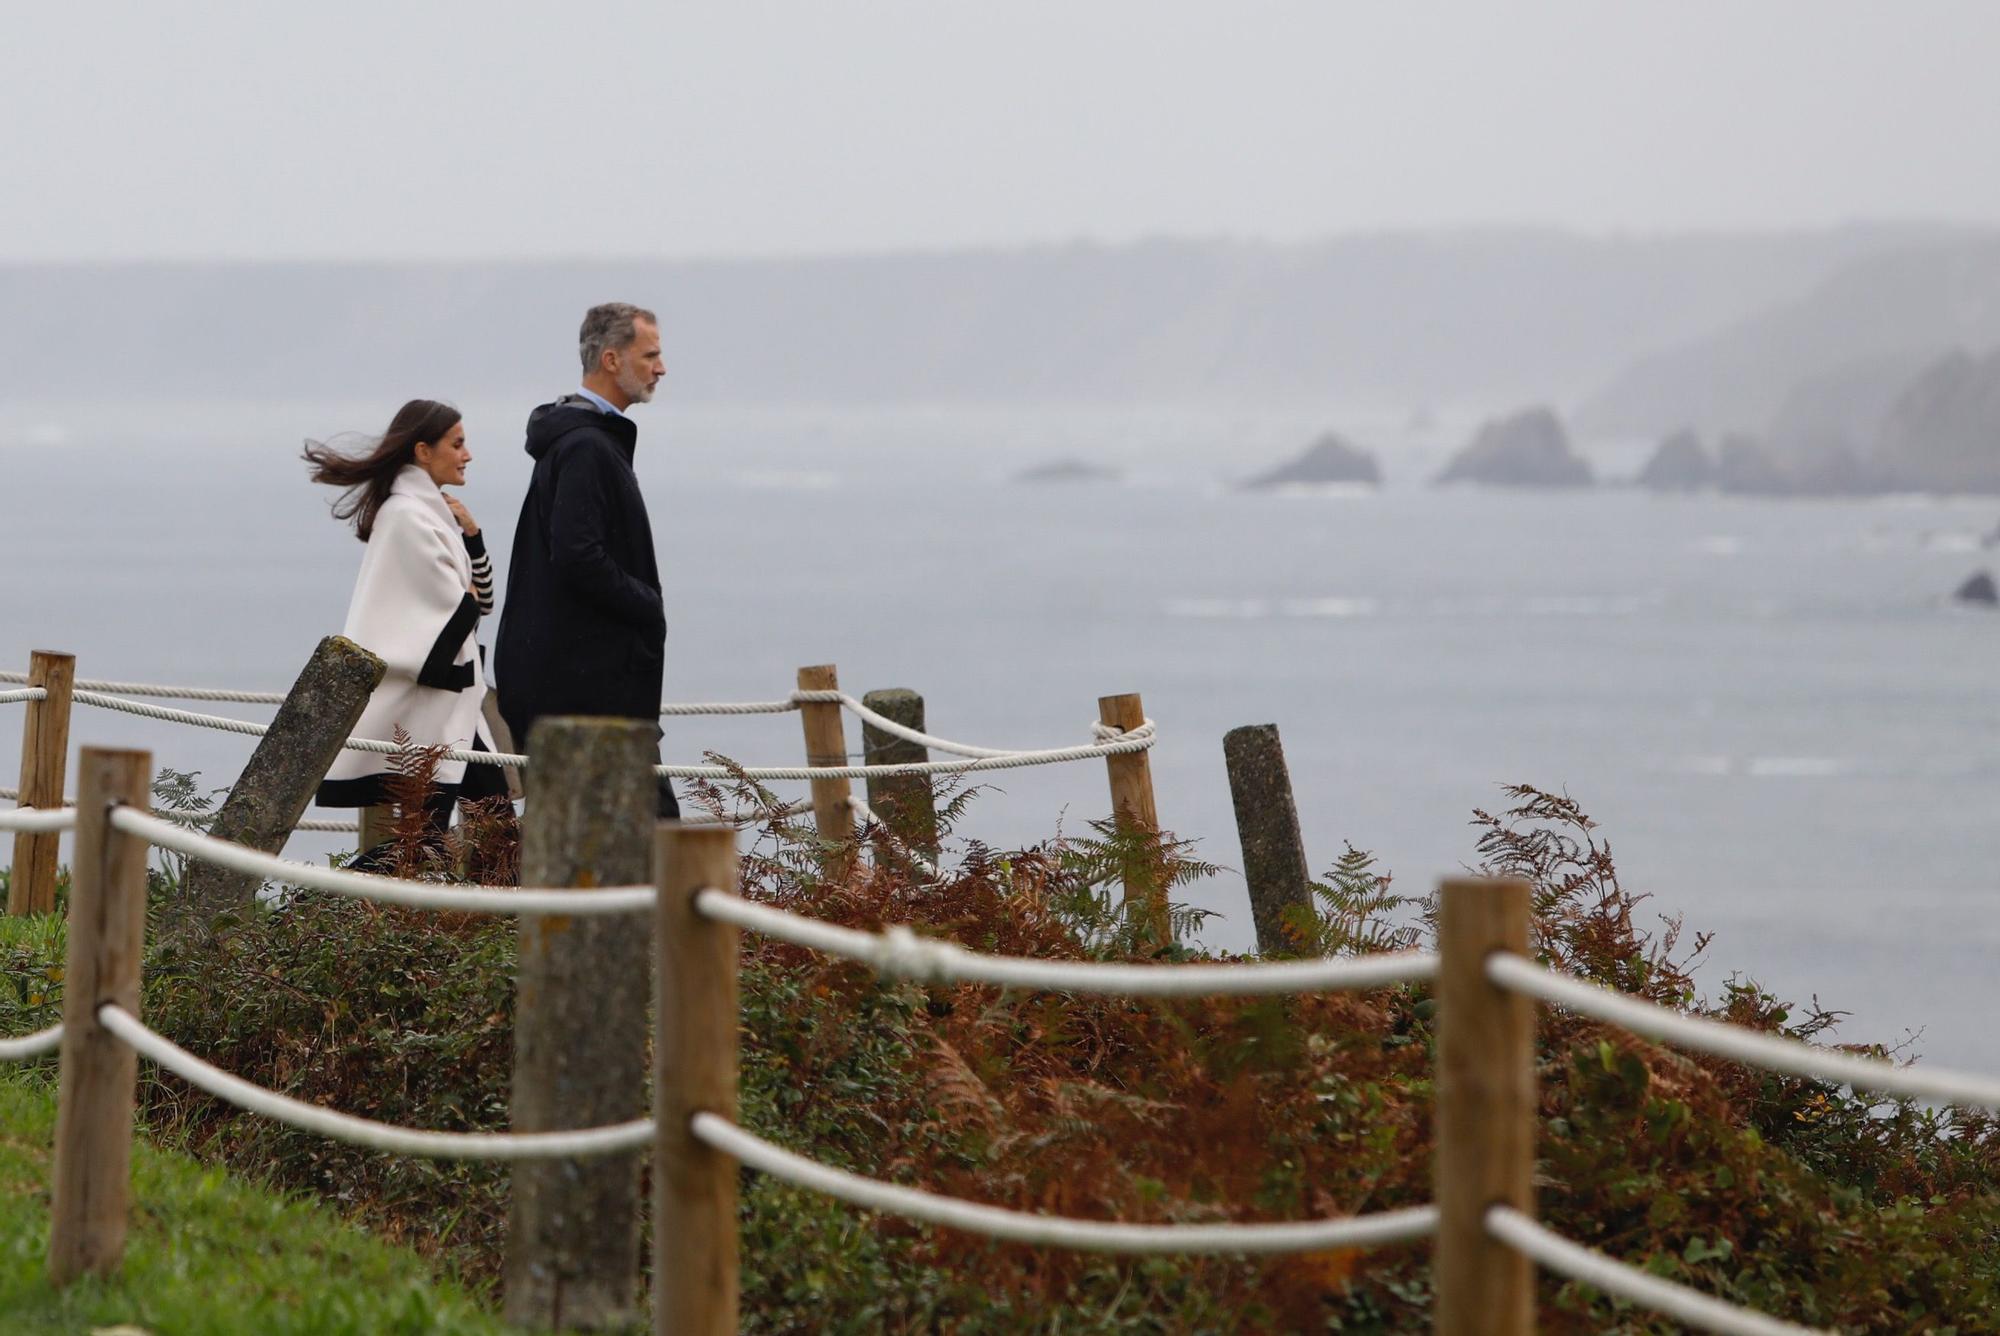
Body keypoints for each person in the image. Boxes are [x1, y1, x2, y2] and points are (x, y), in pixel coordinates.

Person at [493, 302, 678, 816]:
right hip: (585, 693)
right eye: (651, 355)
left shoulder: (583, 440)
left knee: (585, 839)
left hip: (576, 686)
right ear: (613, 359)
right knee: (652, 838)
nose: (661, 368)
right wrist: (648, 604)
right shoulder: (586, 448)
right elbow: (578, 556)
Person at [304, 399, 509, 851]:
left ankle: (481, 917)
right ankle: (330, 911)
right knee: (437, 841)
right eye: (457, 444)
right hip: (433, 702)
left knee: (490, 830)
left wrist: (473, 537)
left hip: (456, 702)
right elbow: (455, 610)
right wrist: (468, 598)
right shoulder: (406, 516)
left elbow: (482, 603)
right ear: (422, 451)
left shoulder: (431, 515)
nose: (467, 454)